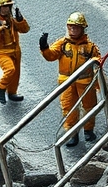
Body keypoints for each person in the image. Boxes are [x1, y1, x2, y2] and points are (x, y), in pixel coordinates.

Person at [39, 12, 103, 147]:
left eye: (77, 27)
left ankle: (88, 130)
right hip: (66, 82)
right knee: (68, 107)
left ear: (82, 29)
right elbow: (51, 56)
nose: (73, 30)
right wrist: (44, 47)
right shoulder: (62, 44)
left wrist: (97, 63)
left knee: (89, 106)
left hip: (85, 81)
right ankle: (72, 133)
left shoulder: (89, 47)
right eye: (71, 27)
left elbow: (97, 60)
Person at [0, 0, 29, 104]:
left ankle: (12, 93)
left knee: (16, 74)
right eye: (3, 7)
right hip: (1, 52)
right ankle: (0, 87)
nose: (6, 9)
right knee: (10, 70)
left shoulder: (12, 20)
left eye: (8, 7)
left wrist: (20, 20)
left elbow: (25, 30)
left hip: (15, 51)